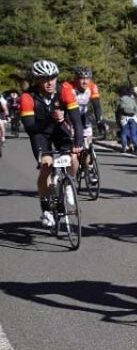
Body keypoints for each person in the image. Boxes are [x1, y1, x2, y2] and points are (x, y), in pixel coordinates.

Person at [19, 60, 84, 228]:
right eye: (44, 79)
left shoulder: (65, 91)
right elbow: (30, 128)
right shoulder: (27, 97)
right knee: (46, 165)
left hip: (58, 130)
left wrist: (78, 142)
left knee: (74, 157)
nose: (49, 82)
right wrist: (50, 118)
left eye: (52, 78)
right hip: (39, 133)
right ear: (37, 80)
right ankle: (46, 208)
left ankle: (69, 185)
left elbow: (77, 121)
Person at [61, 66, 104, 148]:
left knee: (88, 144)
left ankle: (88, 154)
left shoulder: (92, 86)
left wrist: (99, 120)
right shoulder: (68, 87)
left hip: (83, 115)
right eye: (82, 78)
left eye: (87, 78)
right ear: (76, 79)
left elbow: (96, 105)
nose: (85, 82)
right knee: (74, 142)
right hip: (69, 116)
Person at [115, 88, 137, 153]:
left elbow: (116, 111)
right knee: (133, 134)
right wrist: (135, 116)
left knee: (124, 134)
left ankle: (124, 148)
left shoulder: (119, 100)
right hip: (133, 118)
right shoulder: (132, 100)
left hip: (124, 118)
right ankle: (136, 147)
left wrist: (118, 120)